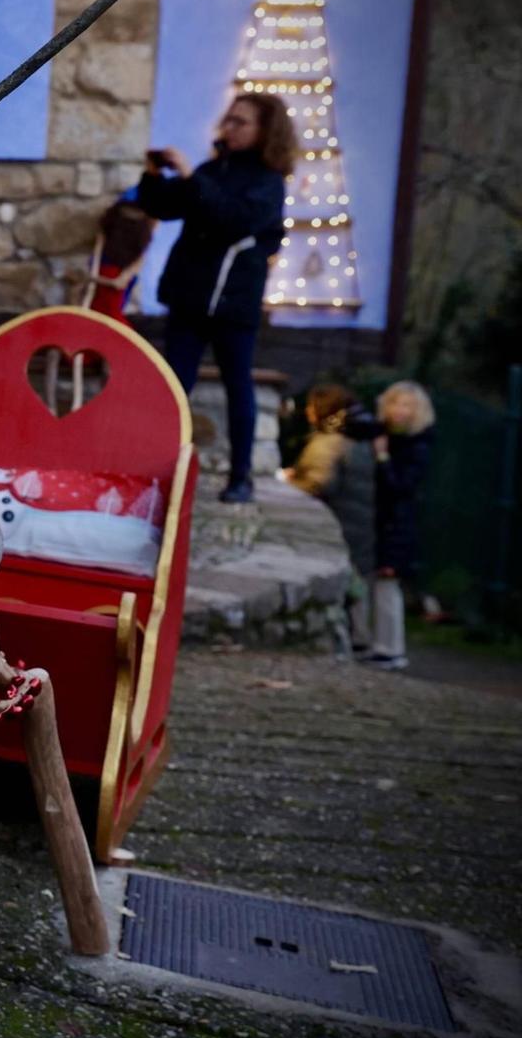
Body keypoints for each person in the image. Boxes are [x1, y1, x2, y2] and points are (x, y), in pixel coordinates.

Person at [137, 91, 293, 504]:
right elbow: (164, 206)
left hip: (234, 303)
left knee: (236, 385)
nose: (230, 127)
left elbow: (230, 219)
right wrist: (154, 175)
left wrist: (191, 179)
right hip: (190, 298)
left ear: (265, 131)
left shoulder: (269, 183)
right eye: (229, 119)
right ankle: (156, 470)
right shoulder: (213, 169)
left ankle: (241, 478)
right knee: (173, 385)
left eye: (241, 122)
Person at [339, 381, 437, 670]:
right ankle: (371, 642)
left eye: (407, 405)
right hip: (377, 522)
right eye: (395, 403)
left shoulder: (417, 445)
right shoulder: (384, 433)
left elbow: (401, 487)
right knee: (370, 584)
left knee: (386, 586)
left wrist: (382, 457)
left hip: (396, 526)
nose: (399, 411)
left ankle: (390, 648)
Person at [284, 383, 375, 659]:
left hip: (339, 521)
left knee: (349, 585)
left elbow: (319, 483)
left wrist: (288, 481)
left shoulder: (328, 442)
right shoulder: (358, 440)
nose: (308, 412)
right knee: (357, 584)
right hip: (358, 522)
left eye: (311, 407)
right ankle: (361, 637)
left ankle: (356, 640)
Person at [81, 192, 156, 322]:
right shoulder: (107, 237)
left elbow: (119, 283)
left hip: (110, 310)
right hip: (99, 308)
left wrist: (93, 278)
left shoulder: (137, 252)